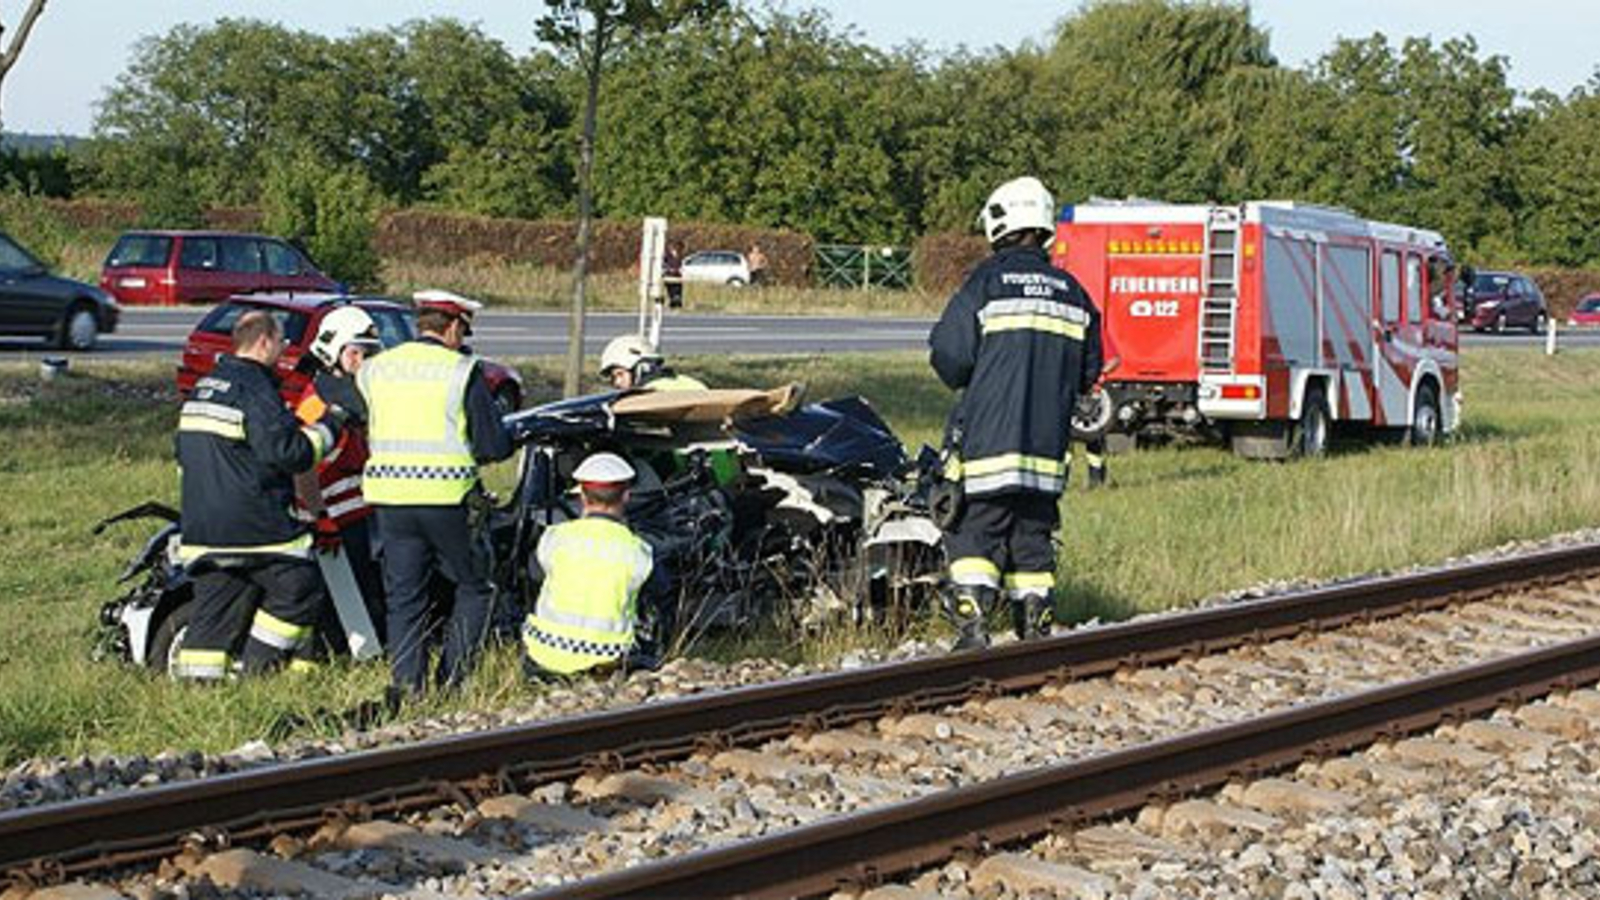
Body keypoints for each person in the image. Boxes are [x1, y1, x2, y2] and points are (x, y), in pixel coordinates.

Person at [928, 175, 1102, 651]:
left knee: (972, 536)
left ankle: (973, 629)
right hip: (1045, 455)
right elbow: (1090, 372)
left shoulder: (985, 284)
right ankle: (1035, 634)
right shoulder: (1074, 293)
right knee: (1032, 543)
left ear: (999, 223)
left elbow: (950, 358)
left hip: (987, 447)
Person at [172, 310, 347, 680]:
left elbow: (187, 458)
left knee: (216, 609)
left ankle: (195, 694)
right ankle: (259, 672)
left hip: (202, 529)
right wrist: (332, 424)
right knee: (300, 587)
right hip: (253, 526)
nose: (284, 349)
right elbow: (289, 452)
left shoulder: (205, 387)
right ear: (265, 341)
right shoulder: (255, 390)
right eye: (282, 342)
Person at [358, 289, 514, 696]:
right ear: (453, 327)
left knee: (405, 595)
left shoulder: (377, 369)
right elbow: (492, 445)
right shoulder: (462, 370)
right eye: (463, 331)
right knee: (475, 585)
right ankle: (452, 681)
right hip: (447, 497)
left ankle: (406, 684)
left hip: (390, 499)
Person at [522, 452, 663, 678]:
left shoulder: (554, 537)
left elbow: (535, 574)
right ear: (626, 496)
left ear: (583, 497)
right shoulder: (638, 551)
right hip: (607, 660)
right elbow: (659, 590)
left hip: (543, 657)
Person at [294, 306, 386, 642]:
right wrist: (320, 518)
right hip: (331, 520)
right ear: (331, 352)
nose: (364, 362)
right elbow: (301, 466)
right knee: (339, 600)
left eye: (370, 353)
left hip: (354, 514)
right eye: (356, 353)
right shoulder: (317, 404)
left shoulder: (346, 396)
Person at [598, 334, 708, 392]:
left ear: (642, 368)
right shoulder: (690, 383)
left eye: (620, 374)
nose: (617, 382)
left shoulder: (647, 396)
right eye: (613, 378)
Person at [664, 239, 685, 309]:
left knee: (678, 289)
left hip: (677, 274)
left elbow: (680, 263)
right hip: (669, 274)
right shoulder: (666, 254)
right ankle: (672, 302)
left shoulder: (679, 254)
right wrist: (669, 269)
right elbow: (664, 263)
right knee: (671, 289)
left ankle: (678, 301)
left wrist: (679, 269)